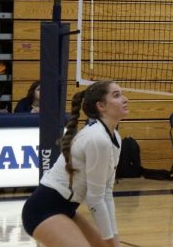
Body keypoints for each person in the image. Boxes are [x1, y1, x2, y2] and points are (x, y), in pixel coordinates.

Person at [21, 81, 127, 246]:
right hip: (42, 210)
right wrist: (112, 243)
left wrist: (114, 238)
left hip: (67, 209)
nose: (125, 99)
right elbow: (95, 199)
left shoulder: (114, 138)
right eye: (117, 95)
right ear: (101, 106)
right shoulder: (97, 138)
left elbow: (106, 193)